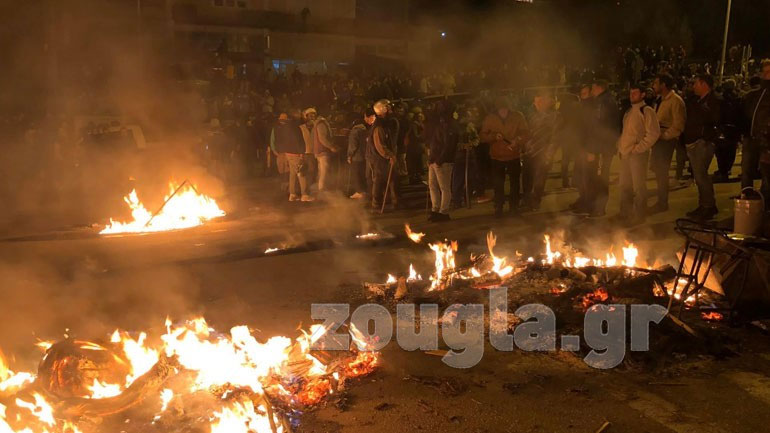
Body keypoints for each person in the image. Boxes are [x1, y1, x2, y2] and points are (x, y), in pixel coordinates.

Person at [617, 83, 660, 226]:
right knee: (624, 185)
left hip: (637, 155)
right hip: (625, 154)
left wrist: (638, 149)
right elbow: (625, 132)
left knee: (639, 186)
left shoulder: (646, 111)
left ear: (643, 95)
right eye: (631, 93)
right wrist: (620, 147)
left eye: (635, 93)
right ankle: (625, 213)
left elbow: (653, 133)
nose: (632, 96)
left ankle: (639, 214)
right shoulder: (629, 111)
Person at [481, 97, 529, 218]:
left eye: (505, 109)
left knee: (515, 183)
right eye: (501, 110)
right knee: (498, 184)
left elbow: (525, 132)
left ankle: (514, 207)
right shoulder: (490, 118)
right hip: (497, 157)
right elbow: (483, 135)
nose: (503, 112)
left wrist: (517, 141)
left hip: (513, 155)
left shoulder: (518, 116)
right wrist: (493, 136)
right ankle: (499, 207)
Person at [683, 74, 721, 220]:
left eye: (696, 83)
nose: (693, 87)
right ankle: (704, 204)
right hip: (694, 140)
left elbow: (715, 120)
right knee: (699, 176)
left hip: (703, 142)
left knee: (701, 176)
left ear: (704, 84)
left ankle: (708, 206)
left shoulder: (714, 101)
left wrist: (706, 137)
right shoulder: (696, 100)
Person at [582, 79, 621, 217]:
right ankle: (596, 206)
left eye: (593, 88)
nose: (592, 91)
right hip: (604, 147)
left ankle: (599, 208)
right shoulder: (606, 101)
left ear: (600, 88)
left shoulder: (603, 103)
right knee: (599, 177)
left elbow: (598, 128)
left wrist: (592, 149)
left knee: (601, 178)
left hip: (602, 148)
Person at [650, 73, 686, 213]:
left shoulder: (676, 101)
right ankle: (661, 200)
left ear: (663, 85)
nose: (653, 86)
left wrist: (664, 136)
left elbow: (678, 125)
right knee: (658, 171)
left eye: (656, 83)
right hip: (658, 140)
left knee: (662, 171)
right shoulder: (660, 99)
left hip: (666, 141)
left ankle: (662, 202)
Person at [523, 90, 562, 211]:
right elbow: (524, 131)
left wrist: (549, 154)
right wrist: (524, 147)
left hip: (543, 153)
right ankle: (526, 200)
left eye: (541, 101)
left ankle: (535, 201)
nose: (538, 104)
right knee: (527, 178)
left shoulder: (554, 116)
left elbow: (555, 137)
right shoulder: (529, 114)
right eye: (536, 101)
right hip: (529, 152)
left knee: (539, 179)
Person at [740, 59, 770, 206]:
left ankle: (765, 203)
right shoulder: (754, 95)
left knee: (766, 173)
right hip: (751, 137)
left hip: (766, 140)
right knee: (746, 169)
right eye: (765, 72)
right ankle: (747, 198)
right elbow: (747, 114)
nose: (766, 75)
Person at [426, 101, 459, 221]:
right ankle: (435, 209)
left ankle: (443, 211)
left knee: (444, 187)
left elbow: (448, 145)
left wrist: (440, 159)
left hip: (442, 161)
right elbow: (435, 142)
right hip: (435, 159)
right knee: (433, 186)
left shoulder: (449, 124)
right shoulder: (440, 123)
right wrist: (431, 158)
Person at [272, 111, 312, 201]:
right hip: (295, 153)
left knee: (293, 174)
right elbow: (299, 141)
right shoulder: (296, 128)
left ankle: (292, 194)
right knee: (301, 173)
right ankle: (304, 195)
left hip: (288, 153)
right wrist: (301, 153)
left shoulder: (285, 127)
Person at [369, 99, 397, 211]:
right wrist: (389, 155)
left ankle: (393, 201)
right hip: (379, 159)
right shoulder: (379, 127)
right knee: (379, 180)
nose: (391, 110)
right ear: (383, 110)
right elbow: (380, 145)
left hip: (382, 158)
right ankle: (376, 204)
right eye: (388, 108)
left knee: (390, 179)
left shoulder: (385, 124)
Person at [451, 106, 480, 209]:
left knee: (470, 178)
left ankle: (467, 197)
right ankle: (457, 200)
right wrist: (462, 146)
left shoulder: (471, 127)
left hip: (470, 157)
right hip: (459, 157)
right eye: (467, 116)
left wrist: (472, 143)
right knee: (458, 180)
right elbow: (451, 143)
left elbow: (476, 138)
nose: (469, 118)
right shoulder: (455, 128)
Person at [347, 108, 376, 199]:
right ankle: (365, 191)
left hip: (357, 156)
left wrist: (349, 155)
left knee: (357, 174)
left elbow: (353, 145)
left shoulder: (356, 130)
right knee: (364, 174)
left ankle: (360, 192)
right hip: (366, 155)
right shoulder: (368, 129)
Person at [313, 111, 340, 192]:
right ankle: (322, 189)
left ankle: (320, 188)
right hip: (322, 151)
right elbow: (322, 138)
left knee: (322, 171)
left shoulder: (319, 123)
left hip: (320, 151)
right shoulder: (321, 124)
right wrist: (331, 147)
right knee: (324, 171)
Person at [300, 108, 318, 187]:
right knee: (303, 171)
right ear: (306, 117)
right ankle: (304, 188)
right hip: (304, 152)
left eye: (314, 116)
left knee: (312, 171)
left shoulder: (317, 127)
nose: (312, 117)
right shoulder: (301, 128)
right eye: (310, 116)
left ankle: (310, 187)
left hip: (314, 153)